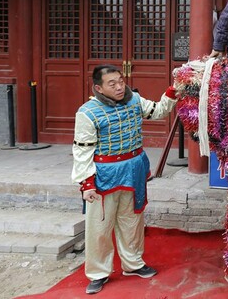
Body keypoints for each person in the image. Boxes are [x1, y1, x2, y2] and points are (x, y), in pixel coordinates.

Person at [72, 64, 178, 294]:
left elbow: (158, 111)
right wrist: (86, 183)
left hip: (134, 169)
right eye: (113, 84)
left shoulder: (135, 100)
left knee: (132, 221)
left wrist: (172, 91)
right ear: (99, 87)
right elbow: (82, 150)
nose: (120, 86)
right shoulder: (87, 112)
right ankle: (98, 272)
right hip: (105, 174)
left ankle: (133, 263)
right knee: (100, 226)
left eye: (120, 81)